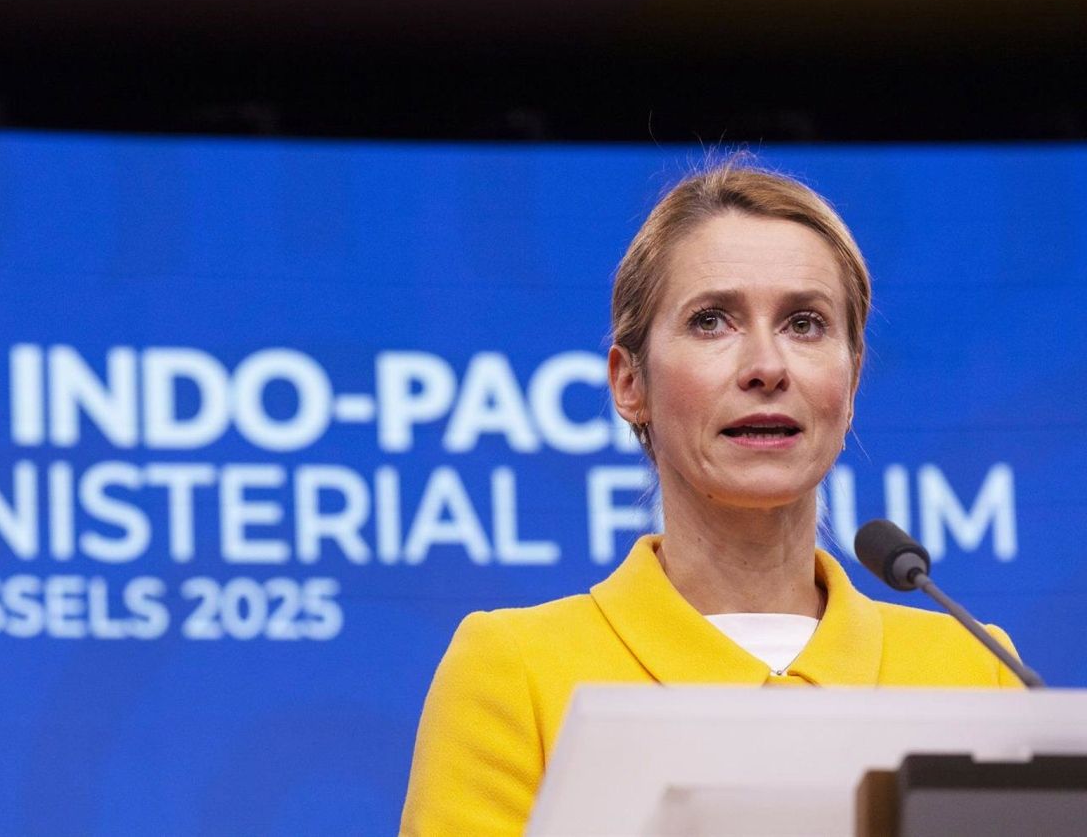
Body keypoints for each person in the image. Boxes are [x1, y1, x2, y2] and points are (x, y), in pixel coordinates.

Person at [398, 159, 1022, 836]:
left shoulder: (978, 671)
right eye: (712, 321)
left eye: (805, 324)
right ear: (630, 383)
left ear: (851, 383)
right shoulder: (515, 669)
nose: (766, 368)